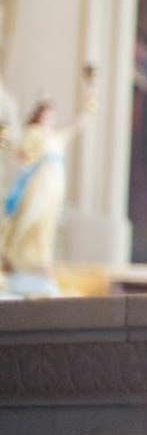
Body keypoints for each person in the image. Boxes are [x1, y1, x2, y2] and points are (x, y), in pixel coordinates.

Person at [0, 95, 94, 298]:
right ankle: (19, 261)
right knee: (30, 218)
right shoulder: (34, 133)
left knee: (47, 223)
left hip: (54, 185)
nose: (50, 118)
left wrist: (88, 106)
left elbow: (76, 127)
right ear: (40, 115)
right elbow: (22, 155)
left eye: (52, 115)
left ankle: (40, 262)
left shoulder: (56, 136)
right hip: (38, 183)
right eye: (47, 114)